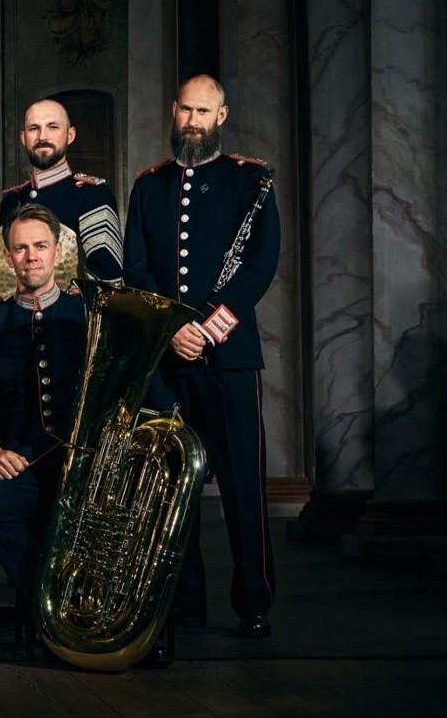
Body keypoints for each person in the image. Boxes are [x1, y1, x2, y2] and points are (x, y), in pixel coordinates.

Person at [125, 74, 280, 639]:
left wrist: (206, 330)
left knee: (243, 484)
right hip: (168, 361)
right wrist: (170, 332)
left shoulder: (251, 181)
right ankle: (183, 601)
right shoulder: (149, 186)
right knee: (174, 487)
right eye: (185, 110)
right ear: (173, 111)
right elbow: (137, 271)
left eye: (203, 112)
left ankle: (254, 599)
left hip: (232, 358)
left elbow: (259, 265)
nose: (192, 121)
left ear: (222, 115)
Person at [0, 205, 86, 610]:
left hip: (82, 458)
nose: (31, 256)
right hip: (21, 457)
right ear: (8, 256)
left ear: (57, 252)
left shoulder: (87, 314)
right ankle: (49, 598)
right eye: (21, 248)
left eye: (40, 246)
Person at [0, 98, 123, 283]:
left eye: (52, 127)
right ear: (23, 138)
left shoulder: (93, 195)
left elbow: (106, 276)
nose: (42, 137)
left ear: (70, 135)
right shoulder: (12, 199)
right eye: (34, 128)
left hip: (72, 311)